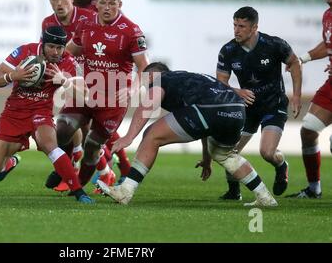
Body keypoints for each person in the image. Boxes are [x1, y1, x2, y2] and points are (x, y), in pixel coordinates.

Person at [97, 62, 278, 207]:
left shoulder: (162, 79)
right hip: (237, 111)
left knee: (151, 135)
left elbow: (147, 106)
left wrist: (129, 136)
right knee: (225, 154)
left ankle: (126, 190)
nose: (145, 85)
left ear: (151, 75)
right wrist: (207, 158)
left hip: (210, 109)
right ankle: (264, 196)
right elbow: (205, 126)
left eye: (145, 80)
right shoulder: (189, 79)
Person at [56, 0, 149, 191]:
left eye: (112, 4)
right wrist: (59, 68)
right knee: (61, 130)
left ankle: (78, 186)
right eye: (103, 3)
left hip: (113, 100)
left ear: (120, 5)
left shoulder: (131, 30)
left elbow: (144, 67)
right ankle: (64, 166)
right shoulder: (86, 24)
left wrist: (133, 90)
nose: (107, 8)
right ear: (96, 4)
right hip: (86, 93)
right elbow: (69, 52)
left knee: (92, 147)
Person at [0, 25, 94, 204]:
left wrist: (65, 82)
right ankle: (10, 161)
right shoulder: (25, 51)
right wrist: (12, 76)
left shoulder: (68, 61)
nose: (56, 51)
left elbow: (86, 96)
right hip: (14, 112)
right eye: (51, 46)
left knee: (49, 144)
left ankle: (79, 192)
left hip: (41, 111)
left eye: (59, 47)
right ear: (42, 44)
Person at [216, 6, 302, 200]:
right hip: (247, 107)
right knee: (230, 151)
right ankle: (233, 191)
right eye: (235, 25)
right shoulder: (228, 50)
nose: (236, 30)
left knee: (267, 152)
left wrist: (296, 96)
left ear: (255, 27)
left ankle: (281, 165)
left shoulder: (274, 44)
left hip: (274, 104)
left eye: (242, 26)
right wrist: (237, 91)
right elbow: (221, 82)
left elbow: (295, 63)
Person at [287, 0, 332, 199]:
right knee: (308, 131)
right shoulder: (327, 15)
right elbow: (327, 45)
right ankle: (314, 188)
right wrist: (301, 58)